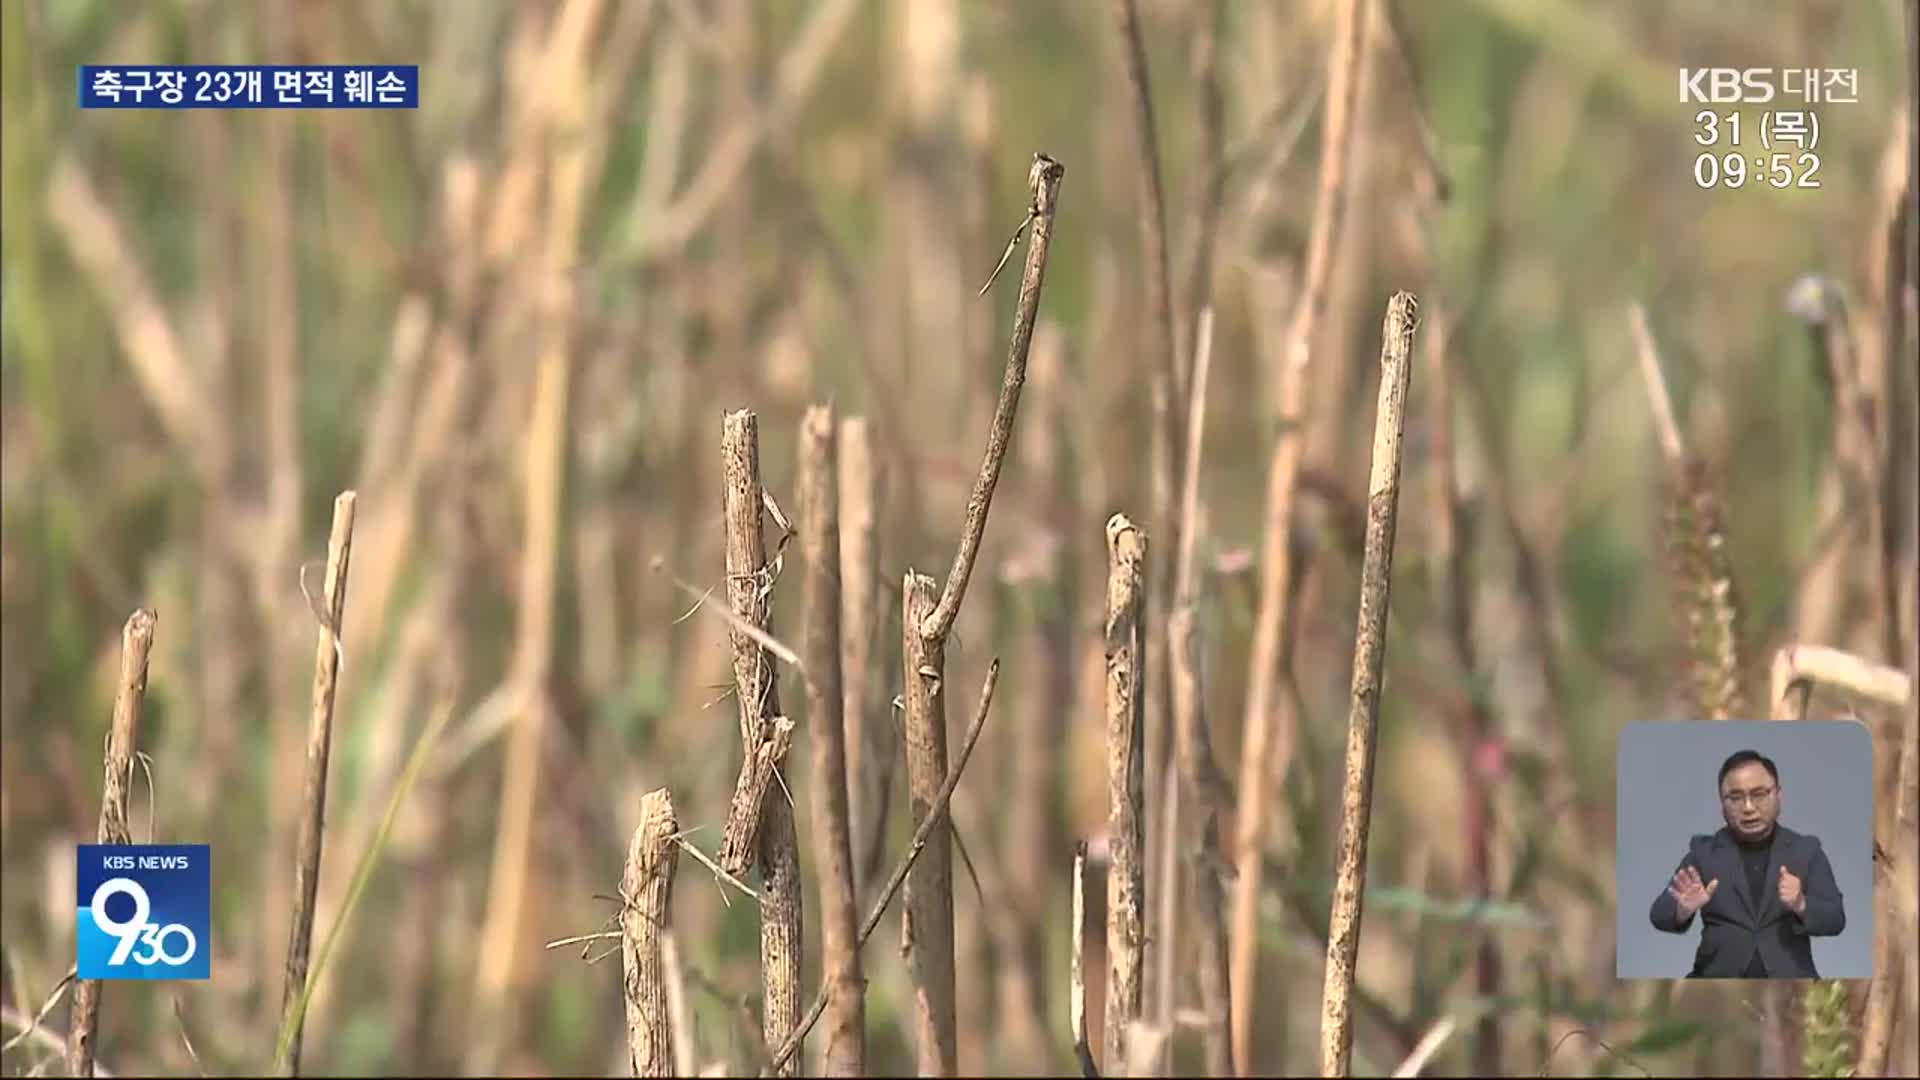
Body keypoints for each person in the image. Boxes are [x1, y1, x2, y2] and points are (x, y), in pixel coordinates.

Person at [1648, 749, 1846, 978]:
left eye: (1759, 794)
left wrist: (1801, 903)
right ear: (1721, 803)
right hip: (1716, 981)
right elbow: (1658, 915)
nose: (1748, 807)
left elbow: (1836, 919)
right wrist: (1682, 910)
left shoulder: (1806, 850)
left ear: (1778, 795)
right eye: (1735, 798)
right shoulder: (1704, 853)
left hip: (1790, 983)